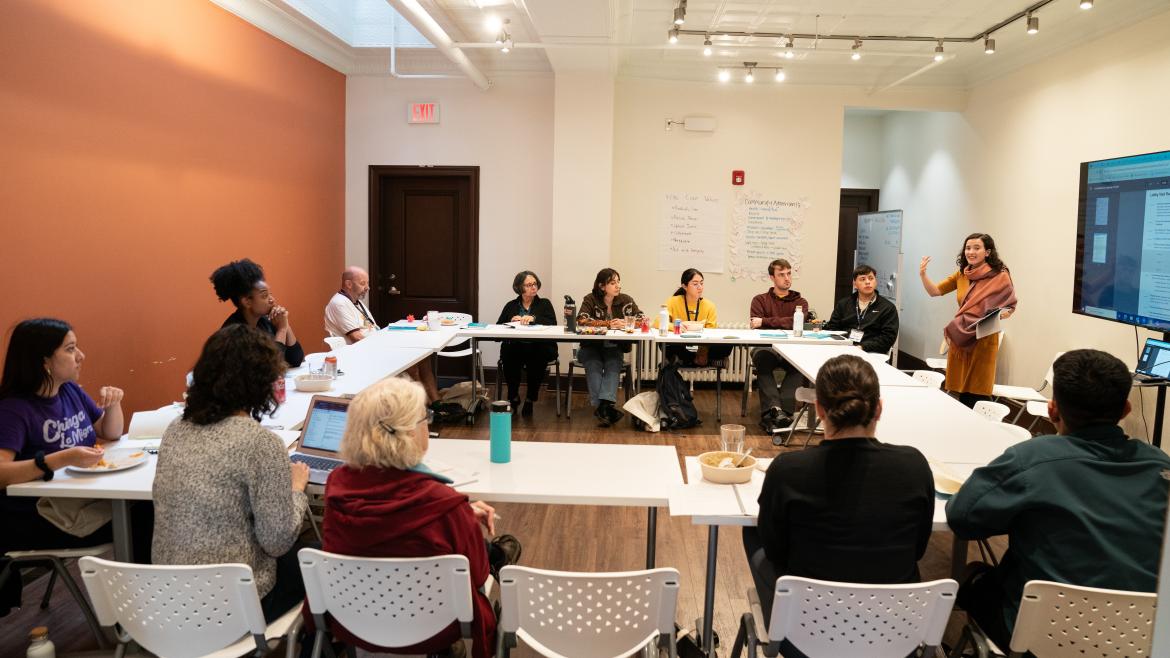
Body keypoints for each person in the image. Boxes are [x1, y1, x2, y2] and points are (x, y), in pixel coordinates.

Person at [946, 349, 1170, 649]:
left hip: (1040, 638)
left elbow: (961, 517)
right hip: (1140, 638)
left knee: (975, 579)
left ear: (1052, 411)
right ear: (1127, 409)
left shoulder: (1031, 459)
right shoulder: (1161, 467)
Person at [742, 355, 934, 640]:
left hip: (806, 636)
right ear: (879, 409)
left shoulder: (788, 471)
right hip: (893, 636)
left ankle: (780, 611)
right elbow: (918, 551)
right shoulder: (915, 466)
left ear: (818, 408)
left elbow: (776, 551)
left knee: (751, 532)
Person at [318, 377, 498, 658]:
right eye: (425, 417)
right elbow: (477, 574)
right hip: (434, 628)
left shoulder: (337, 487)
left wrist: (457, 512)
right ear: (410, 433)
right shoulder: (443, 503)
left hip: (357, 622)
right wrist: (458, 514)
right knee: (487, 560)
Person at [152, 324, 310, 623]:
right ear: (262, 382)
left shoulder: (175, 430)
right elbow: (277, 542)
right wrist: (296, 490)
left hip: (168, 600)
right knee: (322, 559)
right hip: (235, 607)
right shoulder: (261, 443)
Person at [0, 319, 152, 559]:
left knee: (152, 507)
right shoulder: (13, 410)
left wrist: (114, 404)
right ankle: (141, 591)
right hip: (42, 516)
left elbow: (109, 432)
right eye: (70, 349)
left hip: (82, 501)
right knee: (148, 514)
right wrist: (60, 459)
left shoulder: (69, 390)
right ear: (44, 361)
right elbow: (1, 473)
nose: (81, 355)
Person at [919, 233, 1017, 407]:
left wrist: (1001, 314)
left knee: (978, 391)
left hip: (983, 338)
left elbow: (1009, 307)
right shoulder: (962, 275)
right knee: (961, 390)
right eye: (968, 248)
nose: (971, 252)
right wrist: (923, 275)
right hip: (962, 336)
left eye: (976, 248)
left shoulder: (999, 276)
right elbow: (934, 291)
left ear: (987, 252)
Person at [323, 265, 440, 403]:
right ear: (348, 284)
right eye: (363, 283)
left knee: (422, 356)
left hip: (375, 347)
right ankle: (424, 406)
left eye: (367, 283)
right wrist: (387, 346)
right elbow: (356, 338)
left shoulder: (357, 302)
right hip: (361, 354)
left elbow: (372, 329)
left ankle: (436, 402)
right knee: (412, 360)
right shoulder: (339, 303)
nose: (368, 287)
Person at [748, 259, 810, 433]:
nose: (786, 278)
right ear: (772, 277)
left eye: (789, 273)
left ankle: (782, 413)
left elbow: (795, 322)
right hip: (766, 347)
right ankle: (777, 410)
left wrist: (766, 321)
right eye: (781, 274)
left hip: (792, 349)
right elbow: (756, 324)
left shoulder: (800, 301)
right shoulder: (759, 300)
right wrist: (782, 322)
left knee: (798, 365)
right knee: (762, 361)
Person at [577, 268, 642, 427]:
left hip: (614, 346)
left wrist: (626, 322)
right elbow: (581, 320)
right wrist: (608, 323)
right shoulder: (590, 299)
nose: (617, 286)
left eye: (618, 282)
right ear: (601, 286)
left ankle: (603, 408)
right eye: (613, 283)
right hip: (590, 347)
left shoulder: (626, 300)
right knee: (594, 364)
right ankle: (605, 408)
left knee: (613, 363)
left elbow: (641, 318)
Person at [211, 257, 305, 367]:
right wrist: (281, 330)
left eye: (271, 294)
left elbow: (296, 359)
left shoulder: (265, 322)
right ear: (247, 302)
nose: (272, 300)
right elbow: (270, 369)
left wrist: (285, 324)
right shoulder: (235, 333)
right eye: (264, 295)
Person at [495, 270, 557, 417]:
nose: (533, 287)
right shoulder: (511, 305)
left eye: (535, 284)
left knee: (537, 357)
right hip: (516, 347)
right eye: (529, 285)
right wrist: (511, 321)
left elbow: (552, 324)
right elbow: (498, 327)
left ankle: (530, 398)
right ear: (519, 288)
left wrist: (533, 318)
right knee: (509, 355)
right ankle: (513, 396)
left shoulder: (544, 304)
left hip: (538, 347)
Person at [822, 264, 900, 356]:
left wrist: (862, 347)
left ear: (876, 282)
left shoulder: (887, 308)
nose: (867, 282)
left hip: (871, 353)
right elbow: (832, 328)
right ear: (855, 284)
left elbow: (888, 338)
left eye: (871, 278)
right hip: (843, 350)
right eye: (863, 279)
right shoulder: (843, 304)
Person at [660, 268, 732, 366]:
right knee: (664, 344)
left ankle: (684, 360)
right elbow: (658, 322)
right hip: (681, 344)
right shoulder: (673, 301)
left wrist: (703, 351)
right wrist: (675, 327)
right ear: (684, 286)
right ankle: (709, 361)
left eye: (701, 283)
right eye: (695, 284)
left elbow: (711, 331)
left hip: (702, 346)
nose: (700, 287)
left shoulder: (709, 305)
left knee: (728, 344)